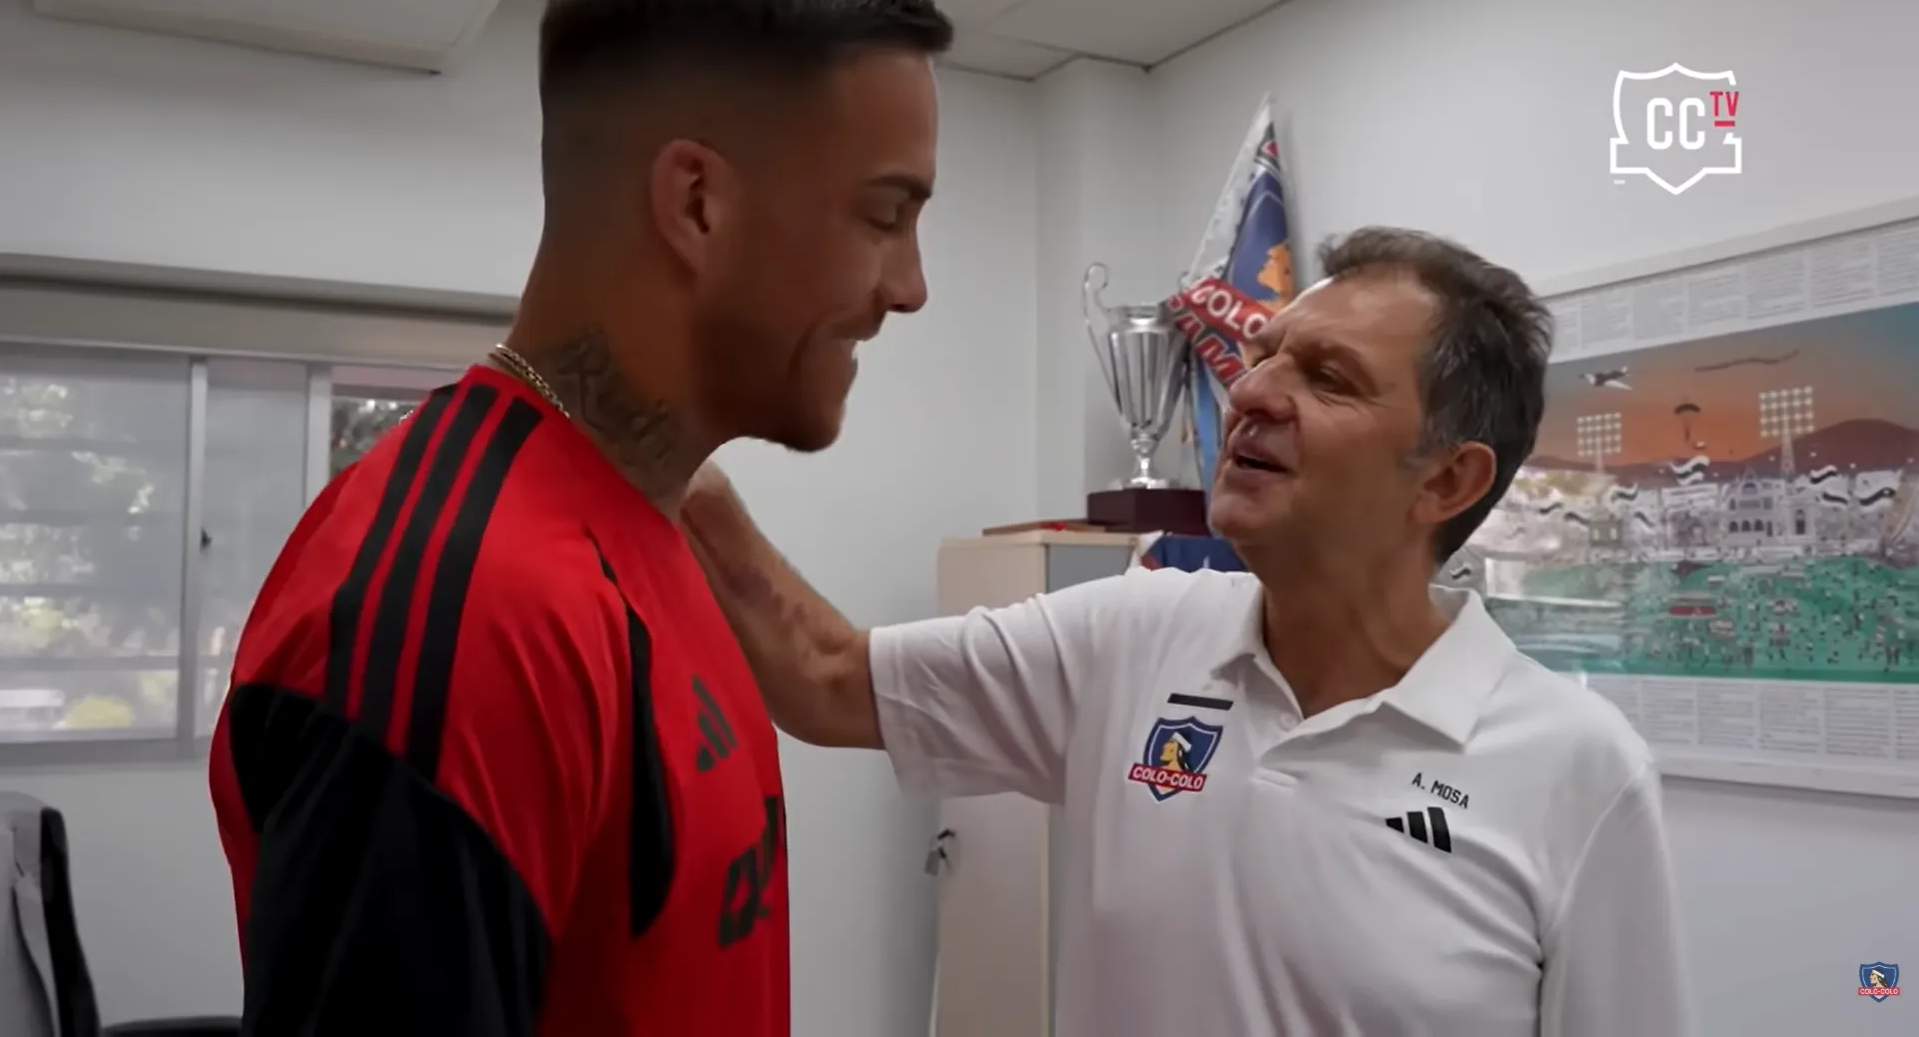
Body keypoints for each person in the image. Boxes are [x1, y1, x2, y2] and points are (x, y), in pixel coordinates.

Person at [683, 227, 1691, 1036]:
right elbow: (824, 679)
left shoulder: (1578, 769)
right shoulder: (1135, 637)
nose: (1252, 394)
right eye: (1262, 357)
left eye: (1327, 378)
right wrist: (683, 466)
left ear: (1446, 480)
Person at [206, 0, 951, 1032]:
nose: (910, 288)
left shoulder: (662, 525)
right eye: (885, 216)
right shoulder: (476, 617)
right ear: (698, 203)